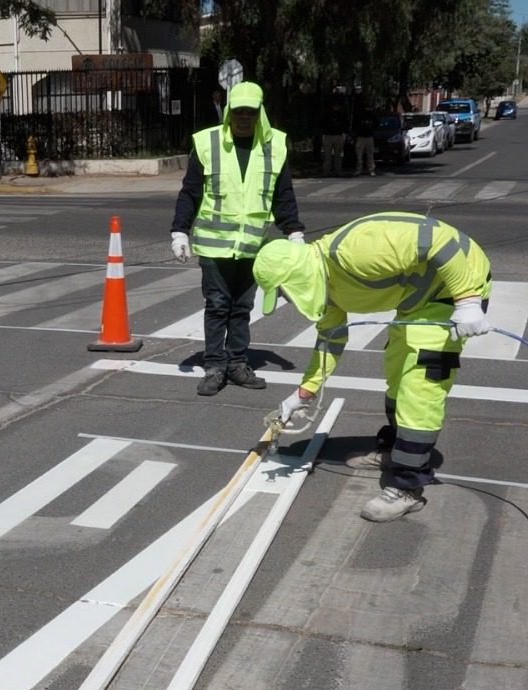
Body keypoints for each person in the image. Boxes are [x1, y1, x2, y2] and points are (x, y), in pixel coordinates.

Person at [252, 211, 493, 522]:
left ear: (295, 276)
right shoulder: (325, 289)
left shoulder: (353, 252)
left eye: (283, 291)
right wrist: (305, 392)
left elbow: (440, 241)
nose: (287, 298)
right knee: (397, 375)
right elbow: (330, 340)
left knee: (419, 387)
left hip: (453, 288)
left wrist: (467, 300)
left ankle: (408, 487)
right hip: (416, 303)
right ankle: (395, 451)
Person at [170, 80, 305, 398]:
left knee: (242, 307)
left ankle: (237, 363)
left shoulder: (275, 146)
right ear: (229, 111)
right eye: (238, 111)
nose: (244, 117)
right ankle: (215, 366)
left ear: (260, 114)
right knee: (217, 305)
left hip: (251, 246)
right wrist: (179, 230)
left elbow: (281, 194)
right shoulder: (207, 143)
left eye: (250, 112)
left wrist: (294, 231)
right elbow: (191, 192)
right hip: (215, 247)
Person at [322, 98, 348, 177]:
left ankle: (338, 170)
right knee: (327, 155)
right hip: (328, 135)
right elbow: (323, 124)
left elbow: (344, 124)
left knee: (338, 154)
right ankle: (326, 170)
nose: (336, 107)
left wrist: (344, 134)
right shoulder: (327, 114)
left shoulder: (341, 115)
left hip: (338, 135)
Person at [351, 104, 378, 176]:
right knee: (359, 154)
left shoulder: (372, 115)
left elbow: (376, 124)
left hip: (369, 136)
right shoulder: (359, 115)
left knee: (370, 154)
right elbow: (355, 125)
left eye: (369, 107)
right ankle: (358, 169)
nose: (368, 109)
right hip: (361, 137)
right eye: (367, 107)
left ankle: (371, 170)